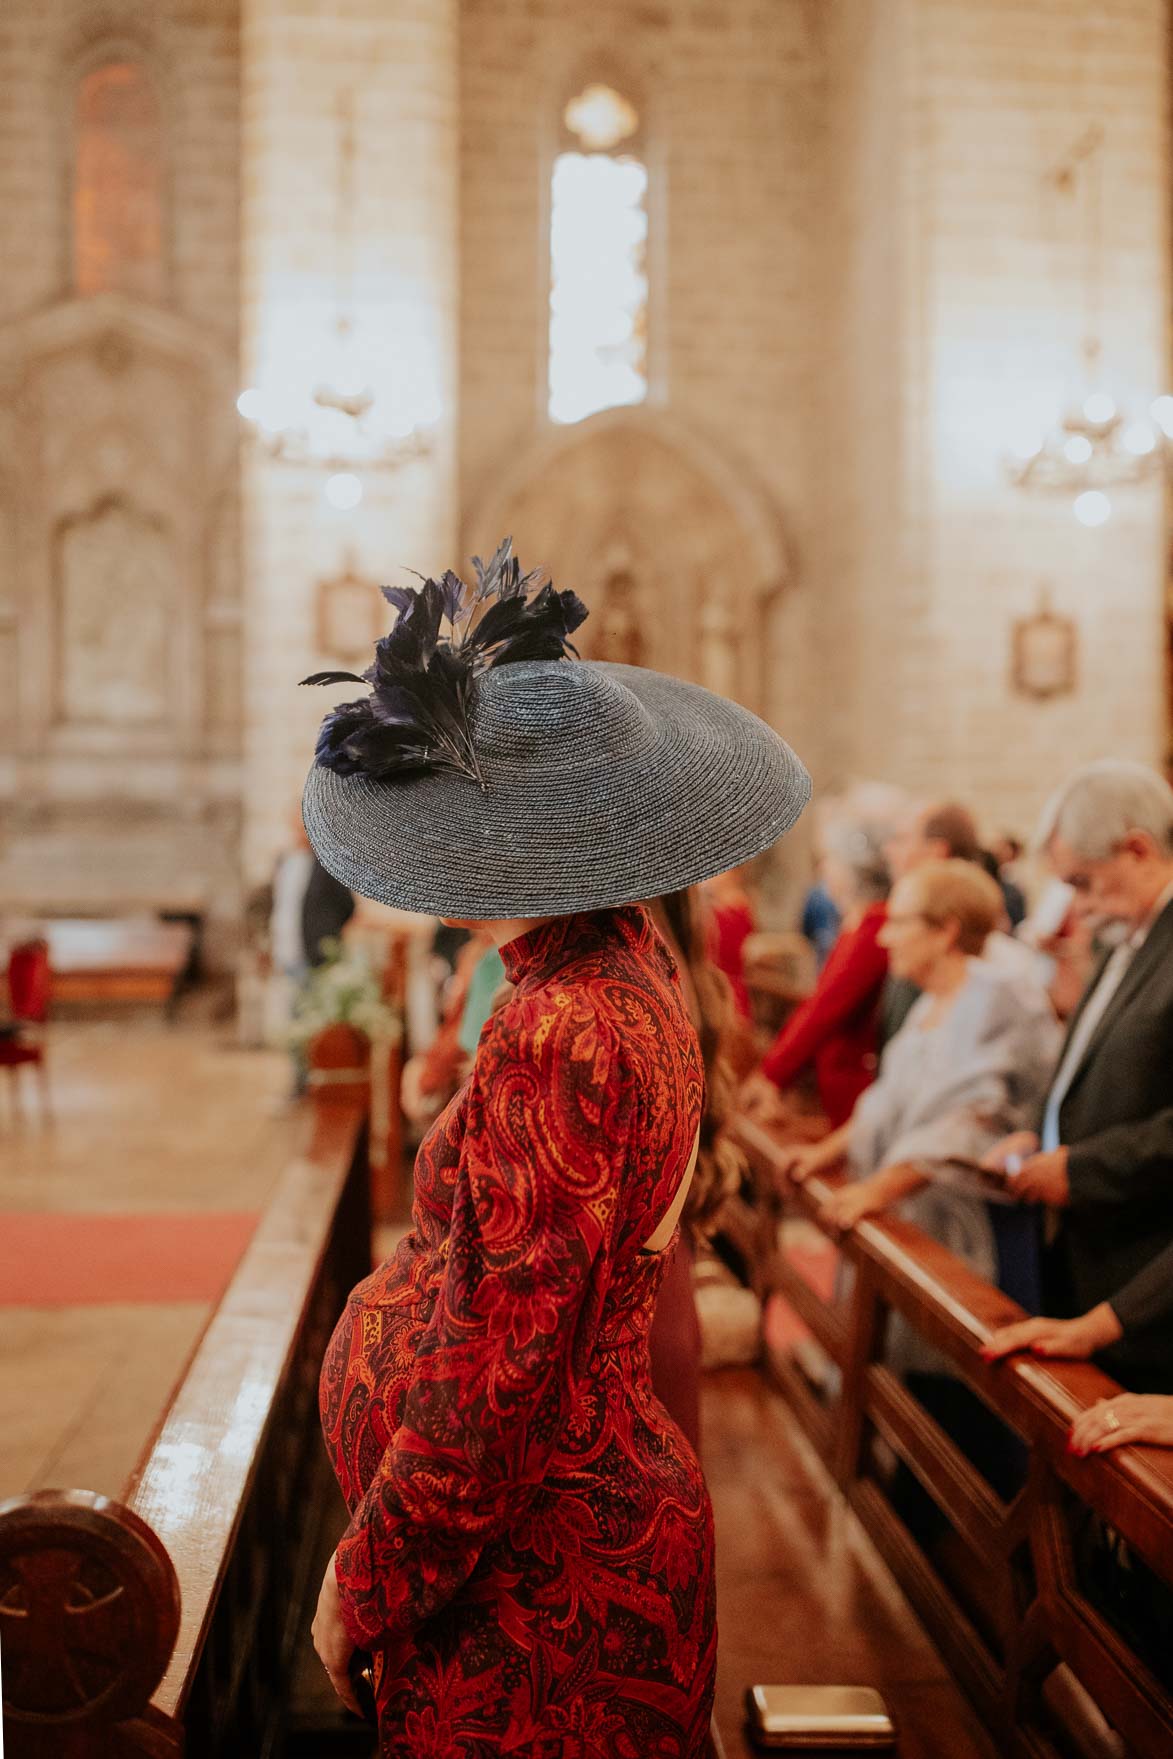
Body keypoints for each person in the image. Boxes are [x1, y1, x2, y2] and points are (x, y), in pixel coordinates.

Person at [300, 543, 811, 1752]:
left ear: (507, 841)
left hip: (541, 1587)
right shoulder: (613, 950)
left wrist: (364, 1581)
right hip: (553, 1547)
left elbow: (497, 1381)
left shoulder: (563, 1025)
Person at [778, 860, 1058, 1320]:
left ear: (946, 931)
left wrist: (877, 1190)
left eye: (899, 922)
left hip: (973, 1229)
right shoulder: (932, 998)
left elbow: (970, 1119)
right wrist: (823, 1153)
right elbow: (889, 1097)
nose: (885, 937)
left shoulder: (1000, 998)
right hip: (915, 1210)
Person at [980, 762, 1173, 1393]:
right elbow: (1089, 1064)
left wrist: (1080, 1169)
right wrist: (1041, 1135)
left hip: (1146, 1271)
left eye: (1082, 883)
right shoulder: (1129, 935)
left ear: (1138, 849)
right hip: (1092, 1253)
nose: (1079, 908)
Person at [746, 819, 890, 1127]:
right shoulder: (858, 921)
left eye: (831, 861)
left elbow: (824, 1009)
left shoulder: (872, 926)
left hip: (852, 1089)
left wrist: (771, 1074)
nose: (824, 869)